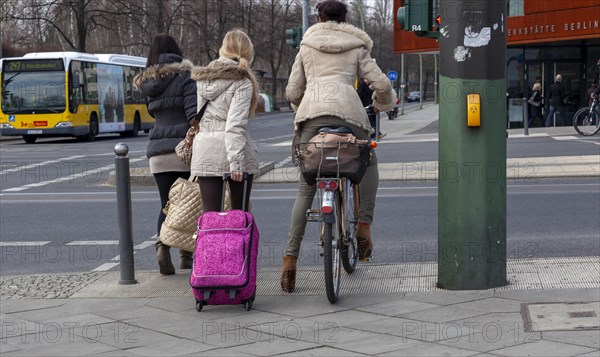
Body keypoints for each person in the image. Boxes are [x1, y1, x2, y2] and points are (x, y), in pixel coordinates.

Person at [281, 0, 396, 293]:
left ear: (319, 17)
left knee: (307, 184)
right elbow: (381, 85)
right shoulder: (356, 45)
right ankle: (364, 228)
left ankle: (289, 261)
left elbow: (293, 90)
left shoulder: (306, 46)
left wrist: (303, 106)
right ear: (345, 19)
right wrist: (382, 105)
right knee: (367, 160)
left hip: (312, 117)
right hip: (350, 114)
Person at [133, 33, 197, 275]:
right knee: (190, 203)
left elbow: (153, 112)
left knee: (166, 205)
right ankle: (186, 256)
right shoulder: (186, 75)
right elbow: (192, 114)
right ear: (176, 50)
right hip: (183, 150)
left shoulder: (147, 80)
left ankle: (162, 247)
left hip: (157, 153)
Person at [190, 29, 259, 213]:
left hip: (205, 150)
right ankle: (236, 244)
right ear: (247, 51)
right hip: (234, 151)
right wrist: (236, 162)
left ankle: (210, 244)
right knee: (238, 217)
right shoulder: (243, 81)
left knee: (211, 217)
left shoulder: (203, 79)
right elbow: (235, 124)